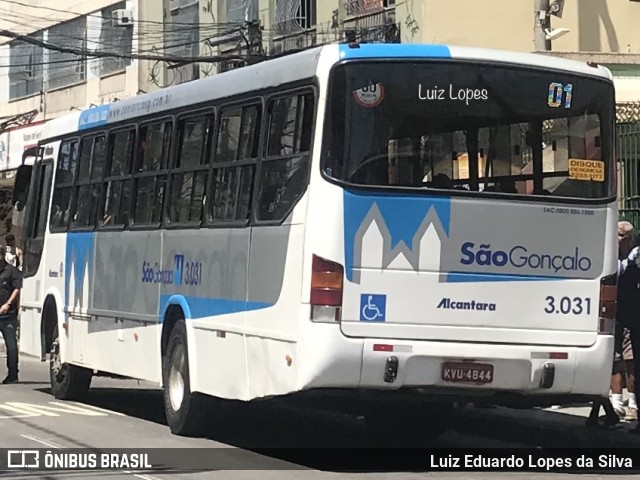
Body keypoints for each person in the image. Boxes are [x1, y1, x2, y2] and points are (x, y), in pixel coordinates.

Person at [0, 244, 22, 384]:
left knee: (11, 346)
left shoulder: (12, 271)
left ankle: (13, 374)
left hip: (8, 316)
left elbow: (17, 288)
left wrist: (7, 304)